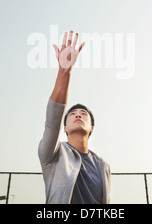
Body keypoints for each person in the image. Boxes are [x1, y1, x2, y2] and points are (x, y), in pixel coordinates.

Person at [38, 31, 111, 204]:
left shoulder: (102, 166)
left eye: (83, 114)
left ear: (92, 127)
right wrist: (65, 71)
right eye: (72, 114)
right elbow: (52, 121)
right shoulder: (53, 154)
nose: (78, 114)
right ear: (64, 128)